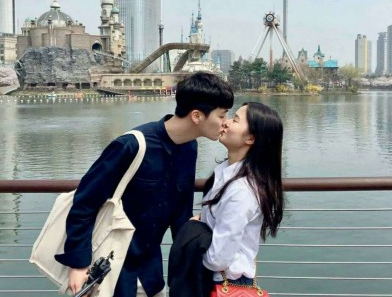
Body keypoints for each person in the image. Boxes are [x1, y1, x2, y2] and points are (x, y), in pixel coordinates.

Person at [54, 72, 234, 297]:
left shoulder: (189, 148)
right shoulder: (131, 146)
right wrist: (78, 265)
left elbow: (181, 214)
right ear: (197, 116)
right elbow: (85, 202)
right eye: (222, 115)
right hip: (109, 270)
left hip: (150, 273)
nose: (226, 122)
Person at [199, 102, 284, 289]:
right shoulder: (226, 173)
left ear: (251, 138)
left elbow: (217, 259)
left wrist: (190, 247)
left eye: (235, 120)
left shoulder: (242, 191)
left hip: (226, 283)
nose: (226, 122)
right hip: (222, 280)